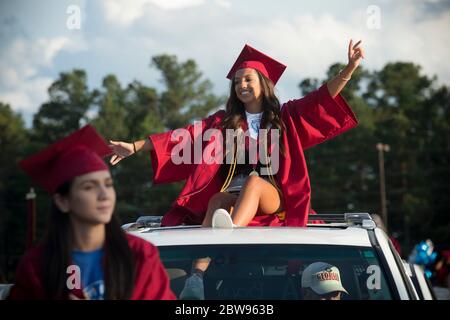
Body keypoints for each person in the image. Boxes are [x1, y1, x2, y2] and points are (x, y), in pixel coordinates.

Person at [109, 40, 363, 229]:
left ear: (263, 84)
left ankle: (233, 236)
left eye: (248, 80)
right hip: (233, 195)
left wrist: (349, 69)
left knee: (253, 182)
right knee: (218, 199)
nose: (242, 85)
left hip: (271, 196)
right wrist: (135, 146)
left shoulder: (285, 117)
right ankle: (198, 272)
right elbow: (182, 136)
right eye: (237, 81)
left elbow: (320, 99)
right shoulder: (223, 123)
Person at [7, 125, 176, 300]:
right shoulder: (37, 266)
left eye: (108, 184)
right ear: (63, 201)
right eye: (89, 187)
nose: (104, 195)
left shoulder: (139, 255)